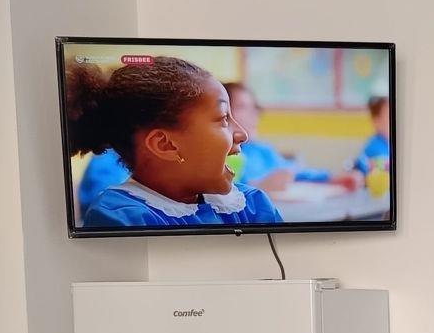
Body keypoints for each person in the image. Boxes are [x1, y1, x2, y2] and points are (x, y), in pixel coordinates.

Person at [66, 57, 281, 230]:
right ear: (165, 145)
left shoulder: (252, 205)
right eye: (224, 119)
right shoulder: (122, 218)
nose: (242, 134)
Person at [228, 80, 332, 193]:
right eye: (242, 107)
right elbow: (226, 193)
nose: (254, 114)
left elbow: (295, 172)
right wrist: (259, 187)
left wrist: (331, 178)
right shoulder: (222, 158)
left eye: (254, 107)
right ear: (223, 113)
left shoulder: (262, 150)